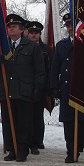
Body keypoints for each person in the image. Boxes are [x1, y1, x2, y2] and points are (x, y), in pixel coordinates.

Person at [50, 13, 84, 165]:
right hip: (67, 89)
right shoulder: (61, 45)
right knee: (69, 123)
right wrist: (53, 86)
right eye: (68, 25)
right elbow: (55, 68)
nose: (70, 28)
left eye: (73, 25)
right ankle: (72, 152)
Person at [0, 14, 46, 162]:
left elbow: (39, 71)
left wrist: (37, 89)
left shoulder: (32, 47)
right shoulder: (3, 47)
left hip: (25, 91)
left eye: (13, 27)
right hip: (8, 91)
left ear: (21, 30)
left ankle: (22, 150)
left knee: (24, 123)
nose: (10, 29)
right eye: (9, 27)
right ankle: (12, 149)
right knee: (9, 122)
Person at [25, 20, 52, 154]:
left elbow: (50, 69)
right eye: (31, 32)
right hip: (25, 87)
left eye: (36, 33)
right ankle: (27, 141)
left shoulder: (46, 50)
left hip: (40, 88)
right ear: (27, 33)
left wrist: (47, 87)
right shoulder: (23, 47)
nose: (34, 35)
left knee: (37, 117)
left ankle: (37, 142)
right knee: (26, 117)